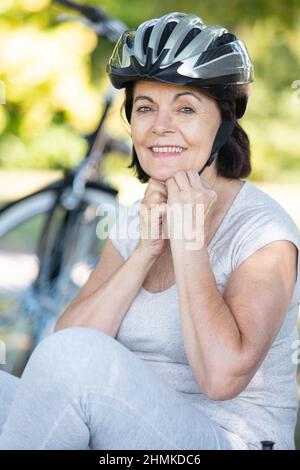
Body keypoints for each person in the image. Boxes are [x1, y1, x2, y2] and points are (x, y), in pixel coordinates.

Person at [0, 12, 299, 450]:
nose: (161, 125)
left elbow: (221, 378)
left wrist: (188, 242)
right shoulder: (138, 216)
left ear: (224, 122)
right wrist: (144, 250)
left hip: (225, 438)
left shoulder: (263, 234)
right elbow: (61, 346)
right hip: (120, 430)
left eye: (185, 108)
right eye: (145, 108)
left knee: (75, 361)